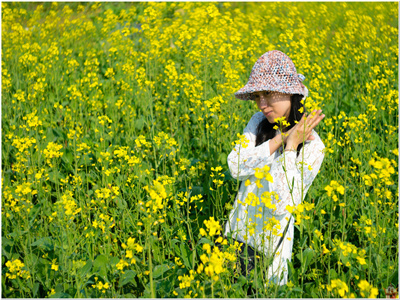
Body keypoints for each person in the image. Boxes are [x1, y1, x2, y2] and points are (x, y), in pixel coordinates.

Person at [223, 50, 325, 286]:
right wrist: (280, 139)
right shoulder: (259, 123)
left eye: (268, 93)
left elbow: (282, 203)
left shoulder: (314, 148)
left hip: (271, 253)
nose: (262, 104)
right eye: (258, 96)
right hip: (238, 236)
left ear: (291, 92)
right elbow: (235, 166)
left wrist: (291, 149)